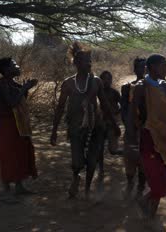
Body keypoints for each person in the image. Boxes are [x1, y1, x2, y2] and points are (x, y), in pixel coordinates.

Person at [50, 41, 120, 199]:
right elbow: (60, 108)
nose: (89, 63)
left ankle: (88, 191)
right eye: (85, 60)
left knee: (92, 159)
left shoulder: (96, 81)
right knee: (77, 162)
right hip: (75, 127)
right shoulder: (68, 84)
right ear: (75, 63)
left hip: (96, 126)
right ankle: (76, 176)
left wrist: (114, 126)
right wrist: (54, 131)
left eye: (90, 60)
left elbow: (105, 105)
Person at [126, 54, 166, 223]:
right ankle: (150, 216)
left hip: (163, 137)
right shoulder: (140, 87)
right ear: (152, 68)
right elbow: (132, 114)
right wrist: (132, 139)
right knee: (159, 181)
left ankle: (144, 201)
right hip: (148, 137)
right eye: (163, 65)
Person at [0, 58, 38, 203]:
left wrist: (26, 88)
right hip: (7, 124)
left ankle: (19, 186)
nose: (17, 66)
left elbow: (20, 98)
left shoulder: (12, 83)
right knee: (8, 155)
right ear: (6, 69)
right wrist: (24, 89)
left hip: (18, 123)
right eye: (14, 65)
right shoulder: (1, 84)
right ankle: (6, 190)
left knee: (21, 152)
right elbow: (11, 103)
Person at [120, 57, 147, 198]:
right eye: (140, 67)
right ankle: (130, 183)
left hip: (146, 130)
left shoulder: (152, 87)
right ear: (134, 69)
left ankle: (140, 187)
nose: (143, 69)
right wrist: (130, 124)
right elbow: (124, 110)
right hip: (131, 130)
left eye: (145, 67)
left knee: (144, 160)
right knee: (130, 159)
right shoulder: (127, 87)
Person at [97, 71, 122, 190]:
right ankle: (101, 169)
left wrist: (117, 115)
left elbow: (122, 105)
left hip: (112, 123)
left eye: (109, 79)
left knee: (113, 150)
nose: (107, 81)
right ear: (100, 81)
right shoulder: (97, 93)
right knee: (100, 147)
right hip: (101, 123)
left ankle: (127, 155)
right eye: (104, 79)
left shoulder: (114, 93)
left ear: (112, 80)